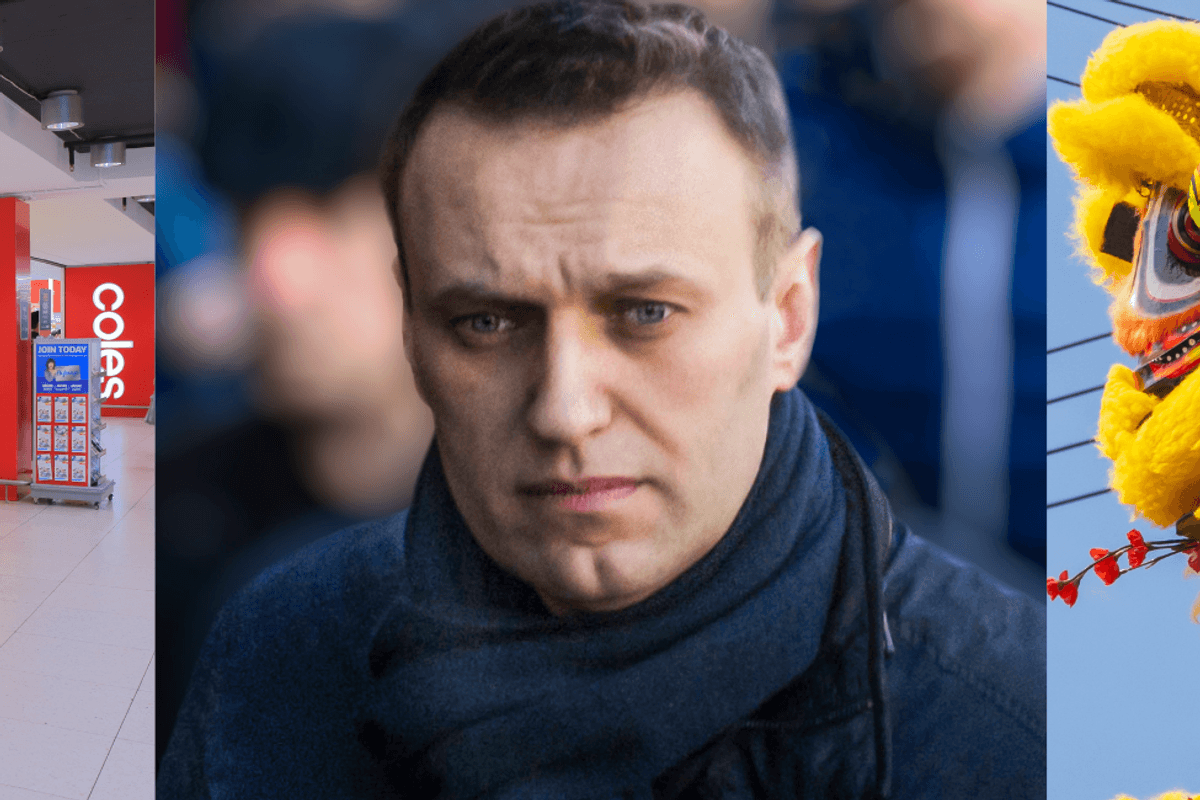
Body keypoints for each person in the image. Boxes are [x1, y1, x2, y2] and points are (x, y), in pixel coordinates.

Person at [158, 3, 1044, 797]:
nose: (565, 409)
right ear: (411, 324)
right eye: (487, 324)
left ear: (789, 317)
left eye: (644, 314)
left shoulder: (1013, 728)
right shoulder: (278, 665)